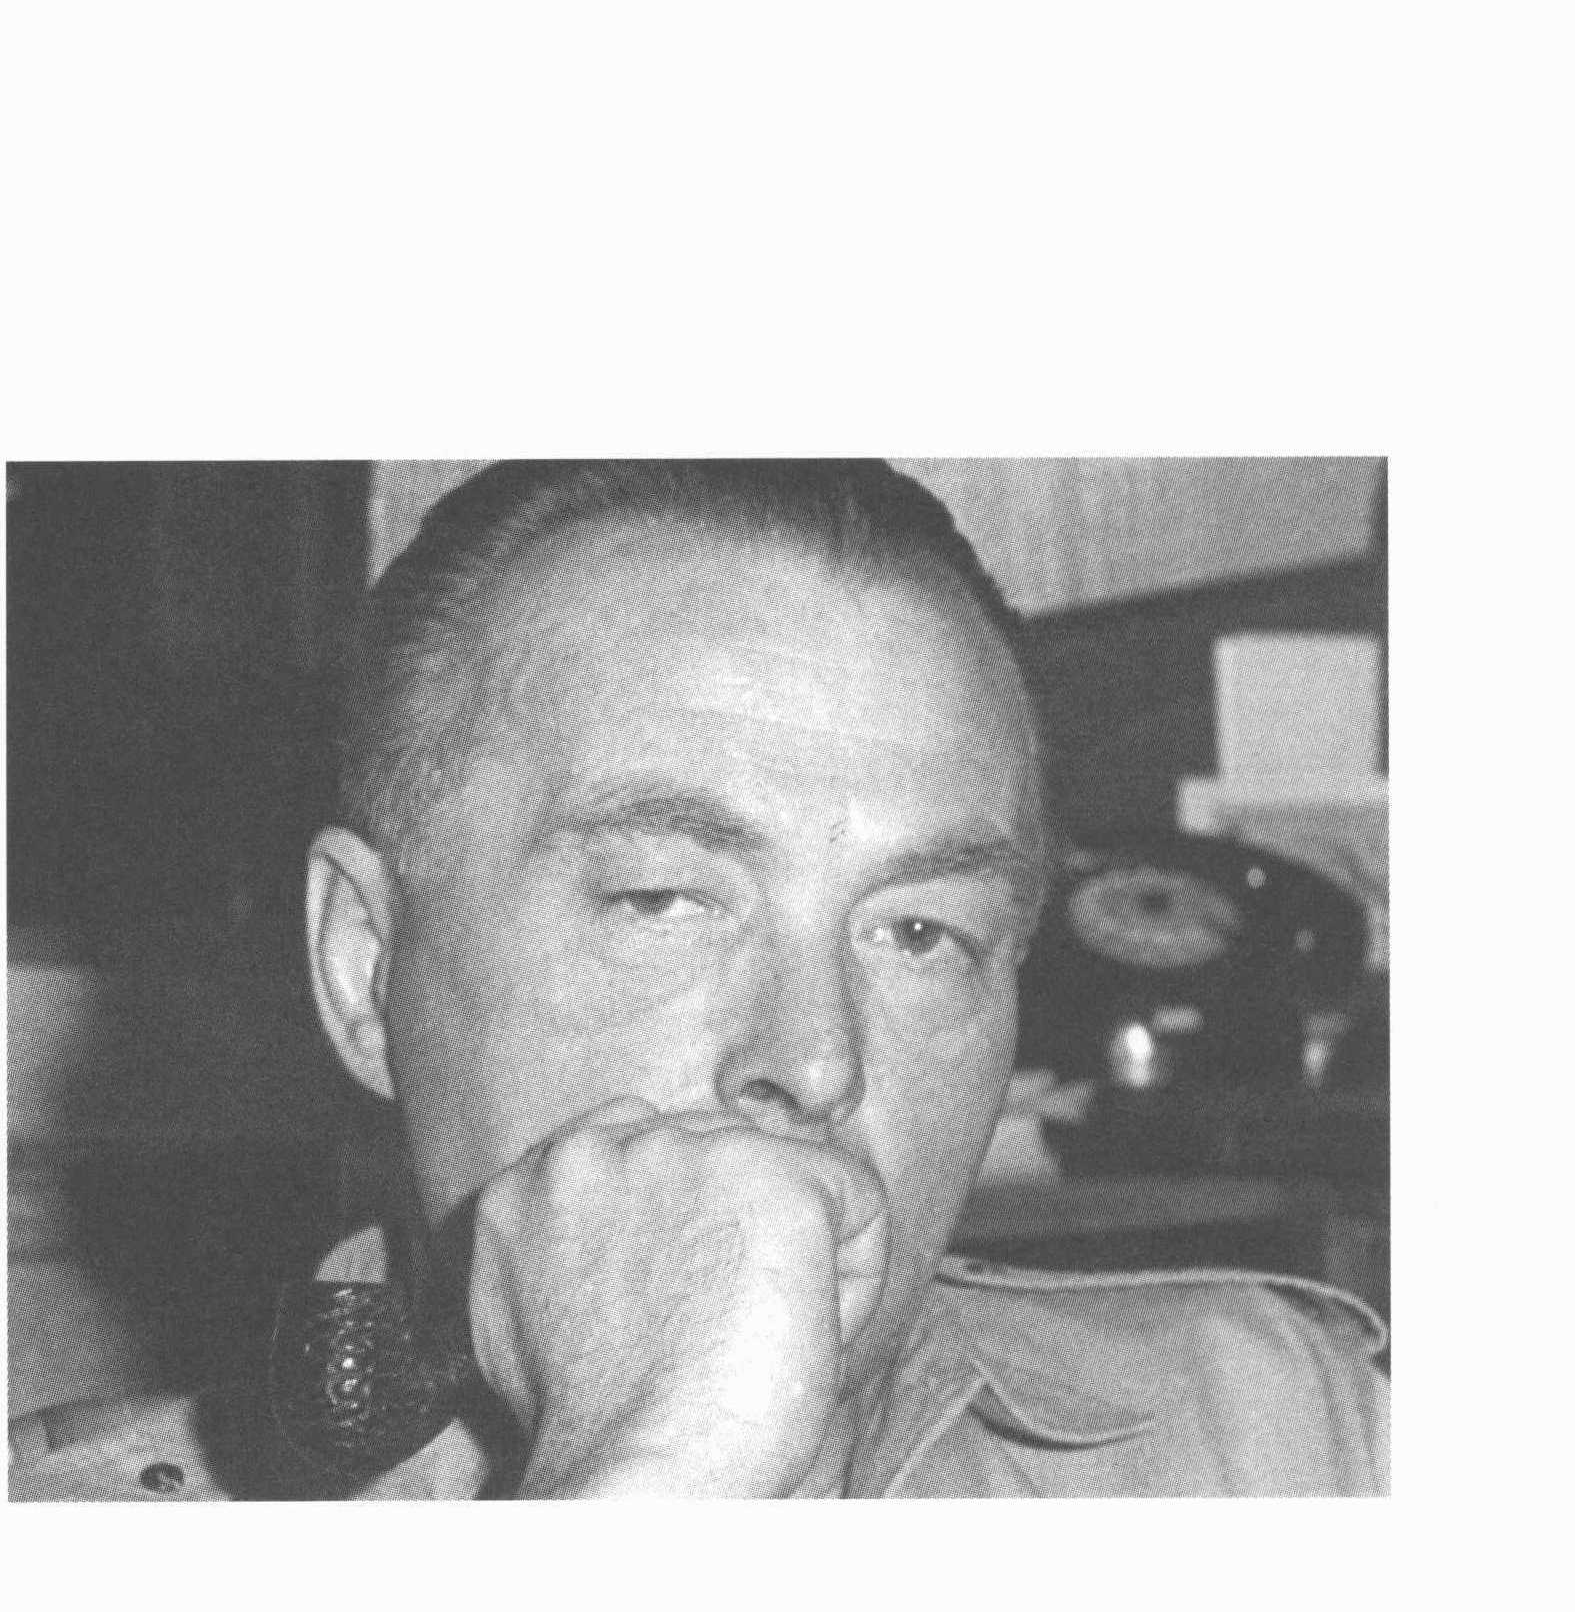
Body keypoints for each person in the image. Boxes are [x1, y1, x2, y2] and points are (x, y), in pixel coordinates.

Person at [9, 459, 1388, 1500]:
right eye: (663, 900)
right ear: (366, 967)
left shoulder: (1290, 1437)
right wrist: (658, 1467)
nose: (816, 1061)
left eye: (920, 932)